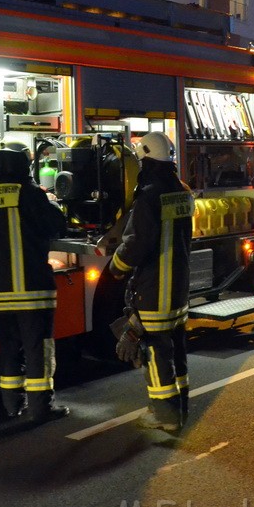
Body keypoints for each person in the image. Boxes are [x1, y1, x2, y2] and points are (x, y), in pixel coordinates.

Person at [109, 132, 195, 432]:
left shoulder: (149, 196)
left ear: (145, 158)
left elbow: (136, 242)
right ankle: (180, 405)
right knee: (176, 348)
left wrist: (116, 266)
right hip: (178, 287)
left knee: (155, 351)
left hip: (154, 288)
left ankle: (165, 415)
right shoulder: (182, 191)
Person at [0, 144, 69, 423]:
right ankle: (42, 408)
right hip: (32, 289)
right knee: (37, 350)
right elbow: (56, 224)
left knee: (9, 350)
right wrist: (52, 201)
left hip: (1, 291)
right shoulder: (29, 193)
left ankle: (12, 405)